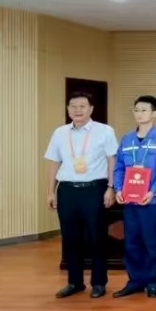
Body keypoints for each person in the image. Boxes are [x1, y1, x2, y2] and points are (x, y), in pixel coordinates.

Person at [44, 91, 119, 299]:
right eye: (73, 106)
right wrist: (50, 191)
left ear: (91, 109)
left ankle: (98, 282)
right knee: (70, 238)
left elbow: (112, 160)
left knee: (96, 237)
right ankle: (74, 282)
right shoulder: (60, 133)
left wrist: (111, 187)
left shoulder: (104, 131)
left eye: (82, 106)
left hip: (94, 189)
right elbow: (53, 163)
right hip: (67, 190)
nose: (77, 110)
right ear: (68, 109)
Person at [112, 95, 156, 298]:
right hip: (130, 200)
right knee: (131, 242)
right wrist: (118, 189)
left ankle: (152, 282)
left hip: (152, 200)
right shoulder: (127, 139)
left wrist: (152, 191)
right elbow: (119, 167)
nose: (139, 114)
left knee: (151, 243)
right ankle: (134, 281)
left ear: (154, 113)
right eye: (136, 110)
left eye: (144, 110)